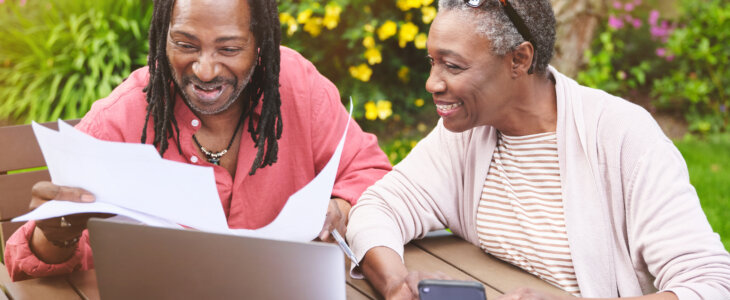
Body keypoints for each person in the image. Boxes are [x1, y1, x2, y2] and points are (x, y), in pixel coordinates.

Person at [346, 0, 730, 299]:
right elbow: (379, 207)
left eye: (453, 66)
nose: (432, 83)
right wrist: (396, 282)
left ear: (520, 59)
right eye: (432, 62)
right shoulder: (464, 134)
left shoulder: (622, 136)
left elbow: (711, 284)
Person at [4, 0, 391, 281]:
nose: (205, 70)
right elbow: (29, 262)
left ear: (260, 47)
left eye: (229, 49)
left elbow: (371, 171)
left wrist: (339, 207)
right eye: (186, 44)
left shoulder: (296, 85)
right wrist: (57, 234)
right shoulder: (120, 119)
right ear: (162, 39)